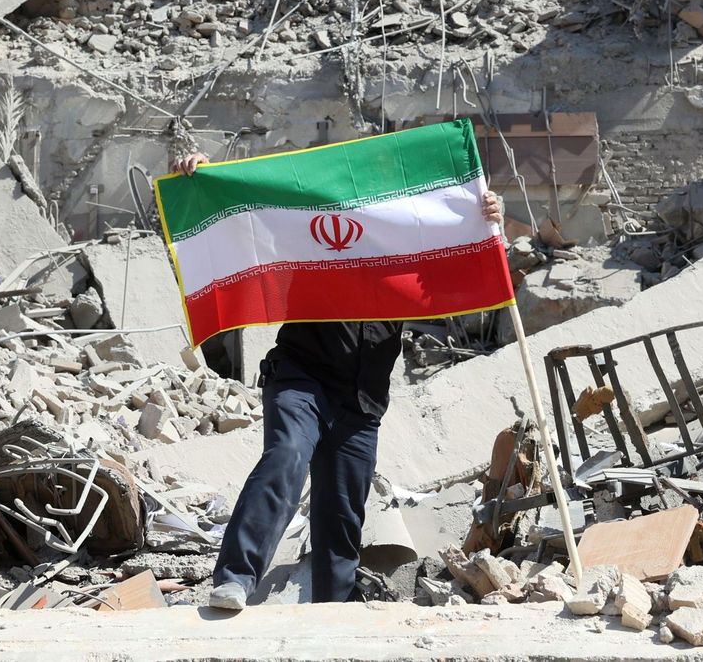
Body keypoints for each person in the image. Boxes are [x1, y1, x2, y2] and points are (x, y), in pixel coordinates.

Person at [170, 152, 503, 611]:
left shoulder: (406, 248)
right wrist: (208, 176)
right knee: (286, 456)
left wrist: (483, 223)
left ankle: (334, 609)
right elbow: (253, 214)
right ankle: (236, 578)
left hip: (362, 402)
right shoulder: (313, 233)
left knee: (342, 514)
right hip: (301, 378)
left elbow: (468, 278)